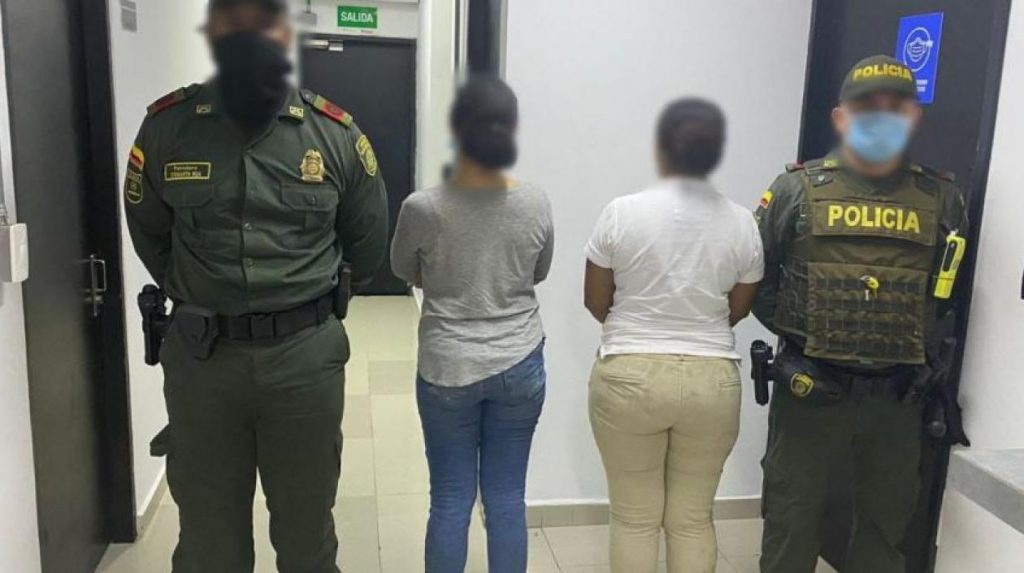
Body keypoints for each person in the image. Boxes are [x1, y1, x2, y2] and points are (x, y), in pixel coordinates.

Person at [123, 0, 389, 570]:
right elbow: (150, 237)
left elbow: (366, 247)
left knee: (306, 533)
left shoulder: (334, 135)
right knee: (208, 541)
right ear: (213, 34)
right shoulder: (167, 129)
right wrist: (207, 296)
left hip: (303, 362)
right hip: (203, 366)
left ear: (284, 35)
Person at [754, 55, 968, 573]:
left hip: (897, 398)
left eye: (895, 106)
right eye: (867, 106)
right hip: (810, 389)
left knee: (885, 528)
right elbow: (757, 281)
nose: (881, 116)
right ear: (840, 117)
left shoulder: (942, 197)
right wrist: (802, 337)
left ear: (914, 116)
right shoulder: (795, 189)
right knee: (791, 520)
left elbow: (944, 294)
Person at [584, 98, 764, 573]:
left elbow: (596, 301)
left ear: (659, 149)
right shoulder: (744, 223)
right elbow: (739, 308)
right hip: (712, 380)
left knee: (634, 519)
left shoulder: (620, 213)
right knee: (692, 519)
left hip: (629, 373)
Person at [390, 76, 554, 573]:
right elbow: (538, 272)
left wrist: (445, 276)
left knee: (450, 499)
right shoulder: (536, 202)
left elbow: (403, 269)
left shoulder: (423, 207)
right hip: (520, 362)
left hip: (447, 367)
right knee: (506, 498)